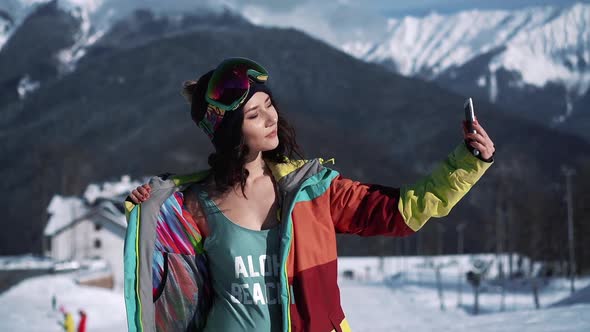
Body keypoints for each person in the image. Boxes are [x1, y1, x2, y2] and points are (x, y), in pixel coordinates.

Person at [123, 57, 495, 332]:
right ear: (230, 132)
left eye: (269, 104)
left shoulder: (313, 191)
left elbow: (403, 211)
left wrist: (469, 161)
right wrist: (148, 208)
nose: (271, 118)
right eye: (254, 114)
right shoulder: (192, 204)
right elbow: (165, 279)